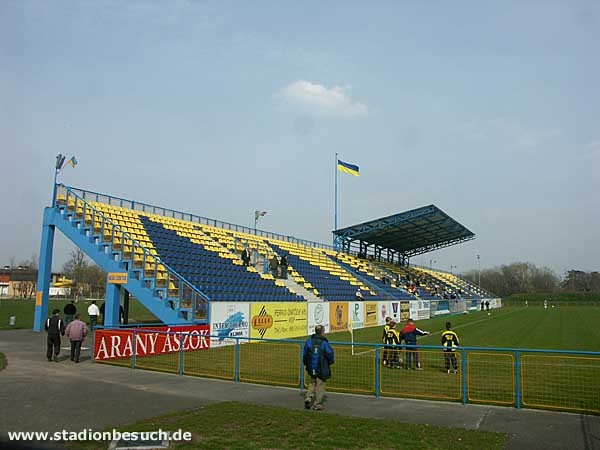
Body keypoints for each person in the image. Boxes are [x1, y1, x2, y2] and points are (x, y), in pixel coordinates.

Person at [303, 325, 335, 411]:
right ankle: (317, 404)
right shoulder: (324, 343)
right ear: (322, 332)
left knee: (312, 382)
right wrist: (330, 361)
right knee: (320, 385)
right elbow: (330, 353)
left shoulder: (309, 342)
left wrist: (306, 364)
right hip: (321, 367)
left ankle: (308, 397)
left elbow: (304, 354)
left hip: (311, 366)